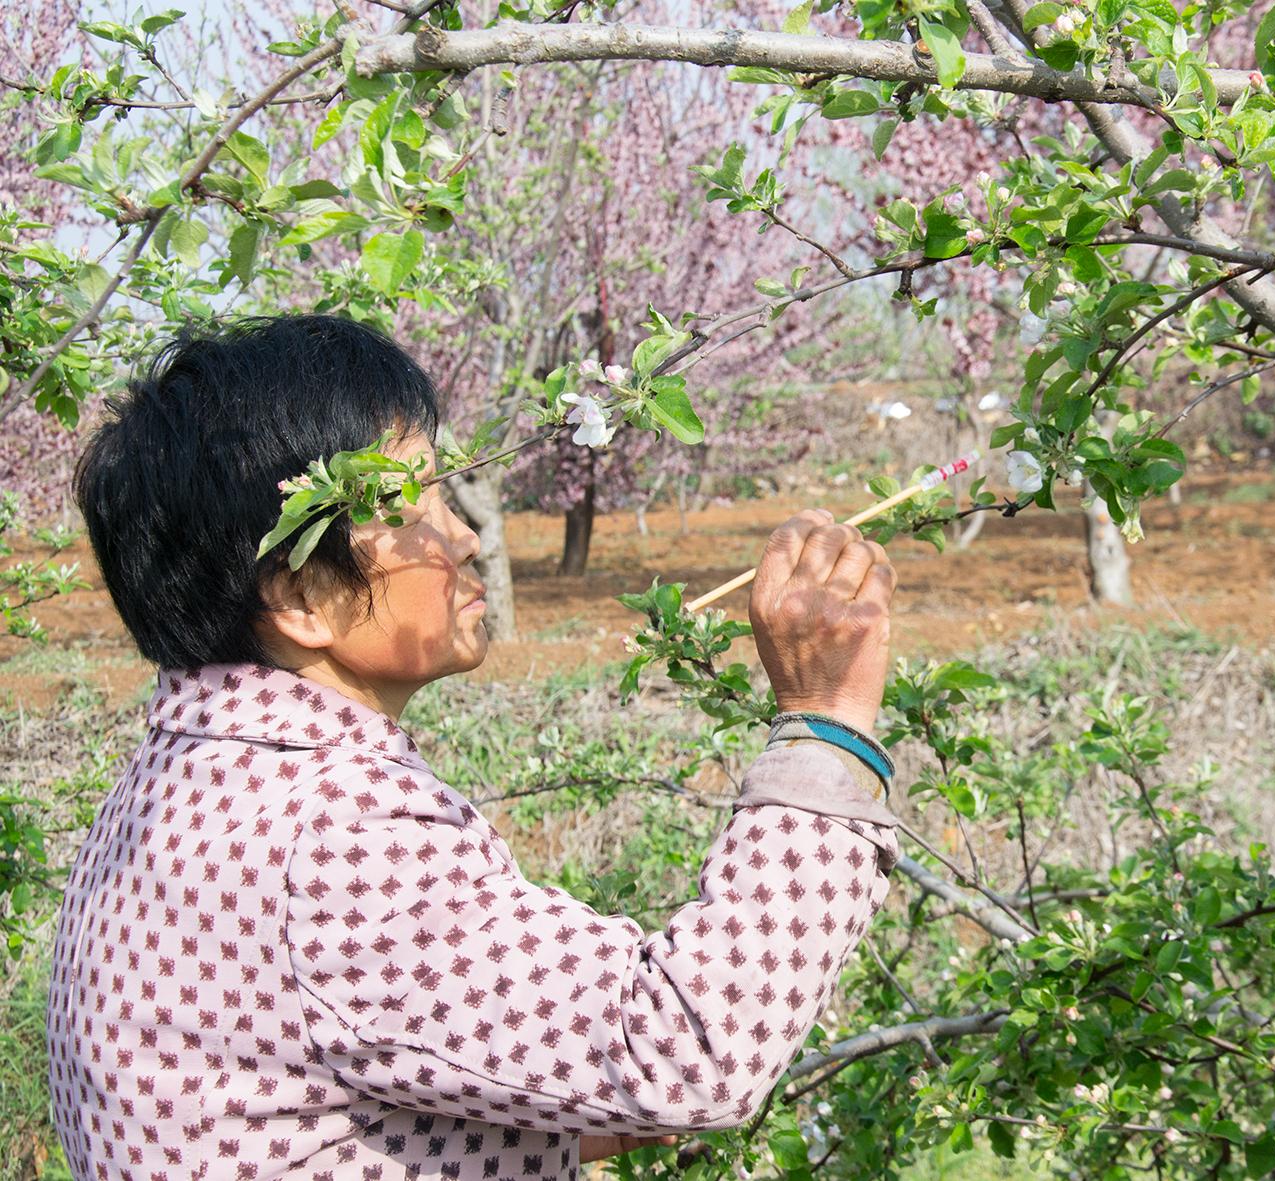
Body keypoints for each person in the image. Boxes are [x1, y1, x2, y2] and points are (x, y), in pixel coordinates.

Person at [49, 314, 903, 1179]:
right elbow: (687, 1051)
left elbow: (319, 1098)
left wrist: (572, 1106)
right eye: (409, 507)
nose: (461, 536)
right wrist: (825, 717)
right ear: (303, 593)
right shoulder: (333, 835)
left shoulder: (180, 777)